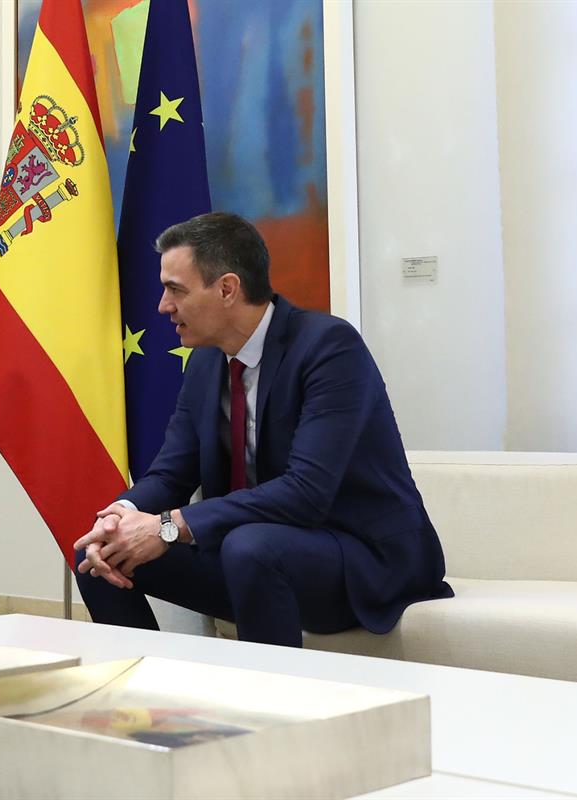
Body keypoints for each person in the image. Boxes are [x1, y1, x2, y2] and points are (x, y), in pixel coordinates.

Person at [75, 212, 451, 646]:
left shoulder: (329, 348)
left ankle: (271, 709)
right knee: (98, 555)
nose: (163, 305)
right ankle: (148, 702)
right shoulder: (204, 363)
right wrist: (121, 516)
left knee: (250, 549)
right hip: (254, 554)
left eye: (175, 289)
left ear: (227, 289)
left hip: (360, 557)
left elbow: (306, 492)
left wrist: (168, 526)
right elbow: (170, 474)